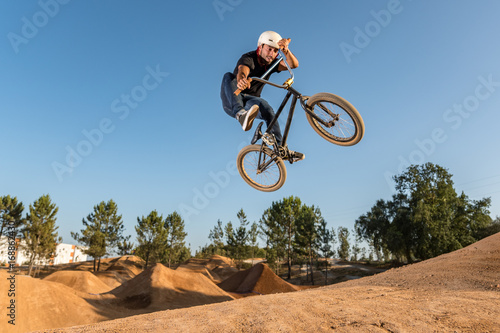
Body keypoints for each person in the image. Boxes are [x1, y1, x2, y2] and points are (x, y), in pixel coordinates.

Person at [220, 31, 304, 161]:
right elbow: (243, 69)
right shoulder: (249, 57)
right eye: (269, 49)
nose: (272, 54)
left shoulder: (272, 62)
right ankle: (240, 115)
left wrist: (286, 51)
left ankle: (281, 148)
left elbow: (293, 64)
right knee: (227, 76)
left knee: (267, 109)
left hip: (250, 102)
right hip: (233, 99)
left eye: (275, 51)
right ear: (260, 47)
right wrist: (242, 79)